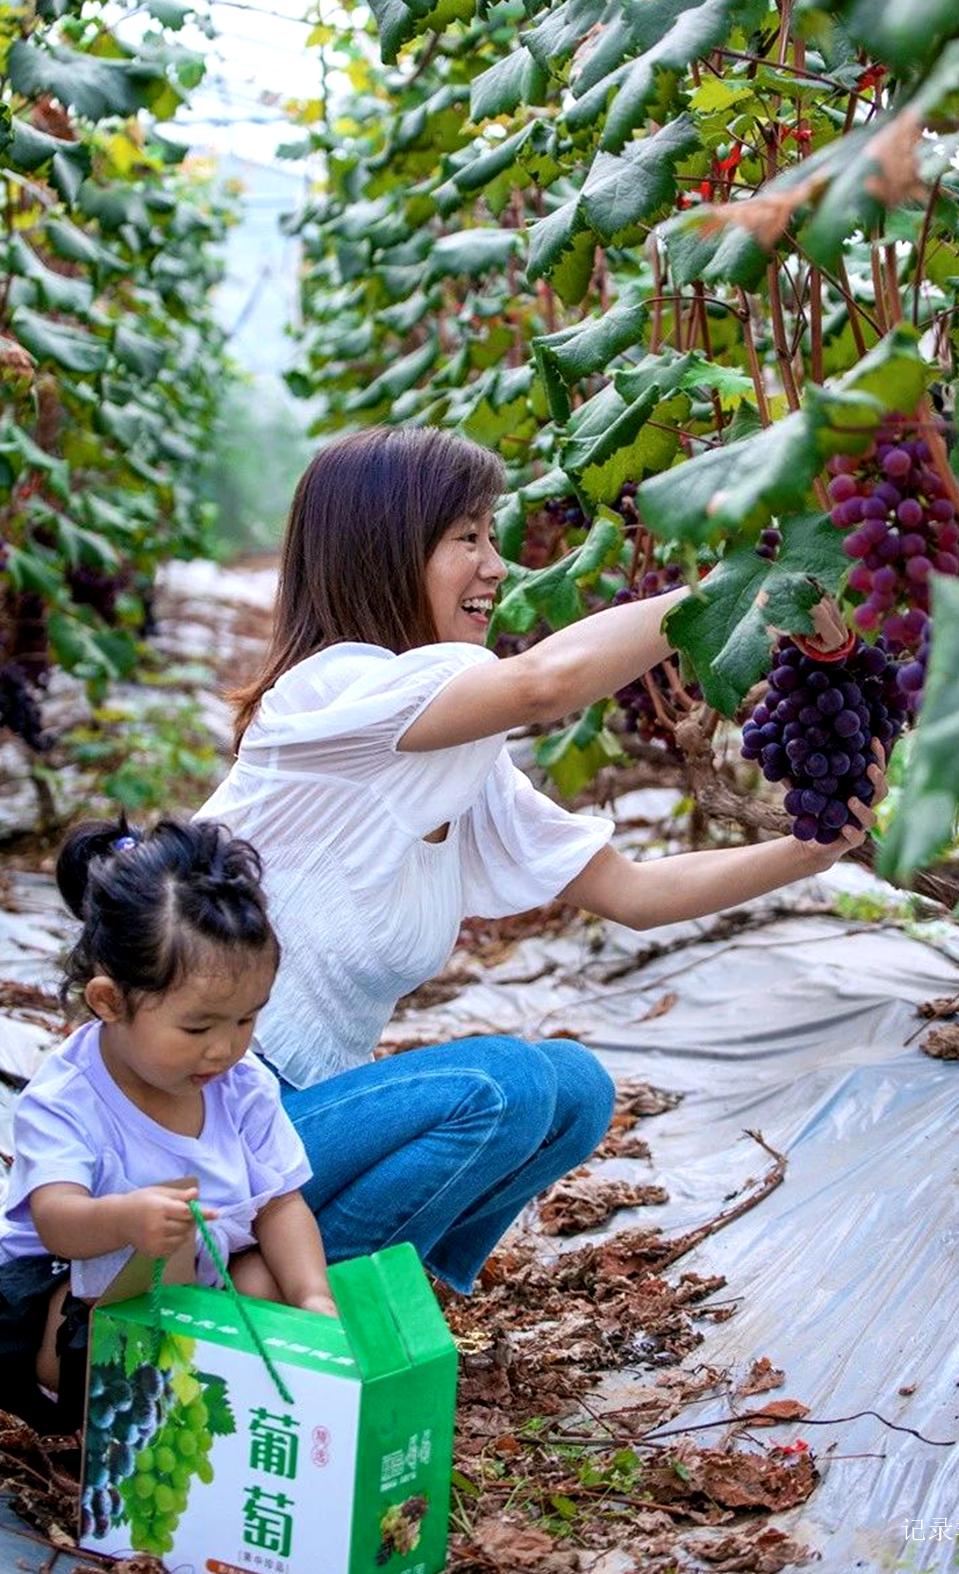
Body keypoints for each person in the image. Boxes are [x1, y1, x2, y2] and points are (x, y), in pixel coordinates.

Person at [195, 426, 885, 1294]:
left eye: (492, 537)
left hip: (293, 1125)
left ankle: (389, 1302)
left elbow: (633, 894)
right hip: (212, 1119)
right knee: (504, 1087)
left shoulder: (460, 760)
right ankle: (259, 1303)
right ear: (384, 551)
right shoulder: (332, 693)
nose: (497, 566)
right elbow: (541, 684)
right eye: (467, 538)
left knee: (573, 1089)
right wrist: (734, 591)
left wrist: (814, 848)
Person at [0, 817, 335, 1433]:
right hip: (67, 1320)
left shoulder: (244, 1084)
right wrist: (125, 1217)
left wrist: (314, 1299)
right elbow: (56, 1219)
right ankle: (136, 1421)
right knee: (168, 1236)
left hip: (188, 1304)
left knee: (270, 1275)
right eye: (198, 1028)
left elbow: (282, 1202)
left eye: (245, 1021)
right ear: (109, 1002)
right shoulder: (68, 1097)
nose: (225, 1049)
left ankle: (217, 1406)